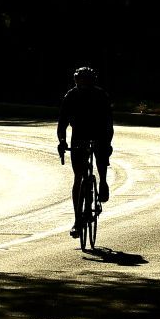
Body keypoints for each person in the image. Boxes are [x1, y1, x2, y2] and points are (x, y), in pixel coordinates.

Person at [57, 66, 114, 238]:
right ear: (76, 82)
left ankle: (103, 182)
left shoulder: (101, 95)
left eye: (87, 82)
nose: (84, 85)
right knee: (78, 177)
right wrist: (62, 141)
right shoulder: (70, 96)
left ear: (93, 82)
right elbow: (62, 123)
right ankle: (77, 220)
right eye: (80, 82)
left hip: (99, 134)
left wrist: (107, 144)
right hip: (79, 136)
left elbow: (108, 123)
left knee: (101, 155)